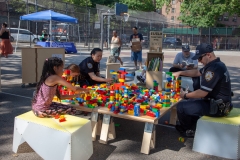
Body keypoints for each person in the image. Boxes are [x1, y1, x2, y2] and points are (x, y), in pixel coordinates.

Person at [173, 43, 232, 138]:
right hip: (220, 104)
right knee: (191, 101)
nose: (199, 61)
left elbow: (202, 92)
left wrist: (184, 95)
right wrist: (180, 72)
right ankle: (193, 125)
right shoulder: (216, 64)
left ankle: (187, 130)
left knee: (181, 106)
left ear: (208, 55)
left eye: (200, 58)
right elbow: (197, 72)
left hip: (217, 107)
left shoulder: (213, 69)